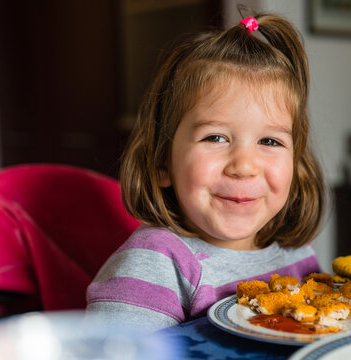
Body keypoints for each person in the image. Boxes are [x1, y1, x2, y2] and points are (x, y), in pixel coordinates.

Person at [86, 8, 325, 332]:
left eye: (269, 141)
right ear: (161, 161)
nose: (244, 166)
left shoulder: (295, 254)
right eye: (215, 137)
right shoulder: (155, 264)